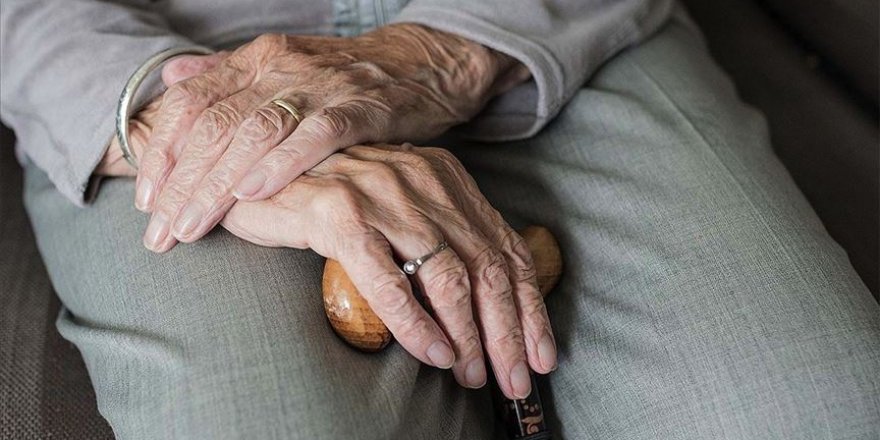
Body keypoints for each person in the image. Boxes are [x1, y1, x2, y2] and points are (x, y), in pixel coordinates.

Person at [1, 0, 877, 438]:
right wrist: (187, 122)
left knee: (813, 409)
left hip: (554, 24)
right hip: (155, 51)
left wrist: (436, 52)